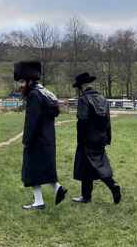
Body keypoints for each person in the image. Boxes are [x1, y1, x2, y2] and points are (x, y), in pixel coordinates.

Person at [14, 60, 67, 210]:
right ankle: (57, 189)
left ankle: (40, 201)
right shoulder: (44, 93)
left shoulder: (34, 95)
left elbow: (32, 120)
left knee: (31, 169)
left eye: (22, 81)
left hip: (36, 139)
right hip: (47, 138)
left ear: (30, 81)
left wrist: (26, 140)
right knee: (43, 167)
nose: (20, 85)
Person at [71, 72, 122, 204]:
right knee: (92, 166)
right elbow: (108, 121)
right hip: (100, 138)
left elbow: (82, 120)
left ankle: (113, 185)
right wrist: (107, 138)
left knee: (93, 166)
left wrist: (80, 139)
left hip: (87, 139)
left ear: (82, 86)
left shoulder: (83, 99)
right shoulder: (102, 98)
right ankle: (86, 196)